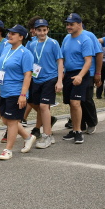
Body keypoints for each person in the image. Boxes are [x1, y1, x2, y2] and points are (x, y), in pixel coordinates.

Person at [0, 25, 37, 160]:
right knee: (6, 120)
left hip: (16, 92)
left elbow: (28, 76)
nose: (9, 35)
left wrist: (23, 95)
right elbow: (0, 68)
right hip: (4, 90)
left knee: (12, 121)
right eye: (9, 33)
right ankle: (28, 137)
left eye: (13, 33)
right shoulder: (6, 49)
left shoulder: (25, 54)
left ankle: (8, 149)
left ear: (21, 37)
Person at [27, 19, 63, 149]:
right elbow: (26, 59)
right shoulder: (31, 44)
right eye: (39, 30)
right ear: (34, 31)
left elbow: (60, 62)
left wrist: (59, 81)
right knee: (41, 107)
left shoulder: (53, 43)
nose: (42, 33)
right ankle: (49, 134)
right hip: (36, 79)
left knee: (43, 106)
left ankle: (46, 135)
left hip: (50, 77)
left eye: (44, 30)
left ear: (47, 30)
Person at [60, 13, 93, 144]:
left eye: (71, 24)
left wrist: (80, 75)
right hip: (68, 74)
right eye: (67, 24)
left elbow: (88, 61)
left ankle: (79, 131)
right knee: (71, 103)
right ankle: (74, 130)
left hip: (81, 74)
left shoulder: (85, 39)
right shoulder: (66, 38)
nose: (69, 26)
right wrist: (61, 71)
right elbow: (62, 57)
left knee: (76, 102)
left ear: (79, 24)